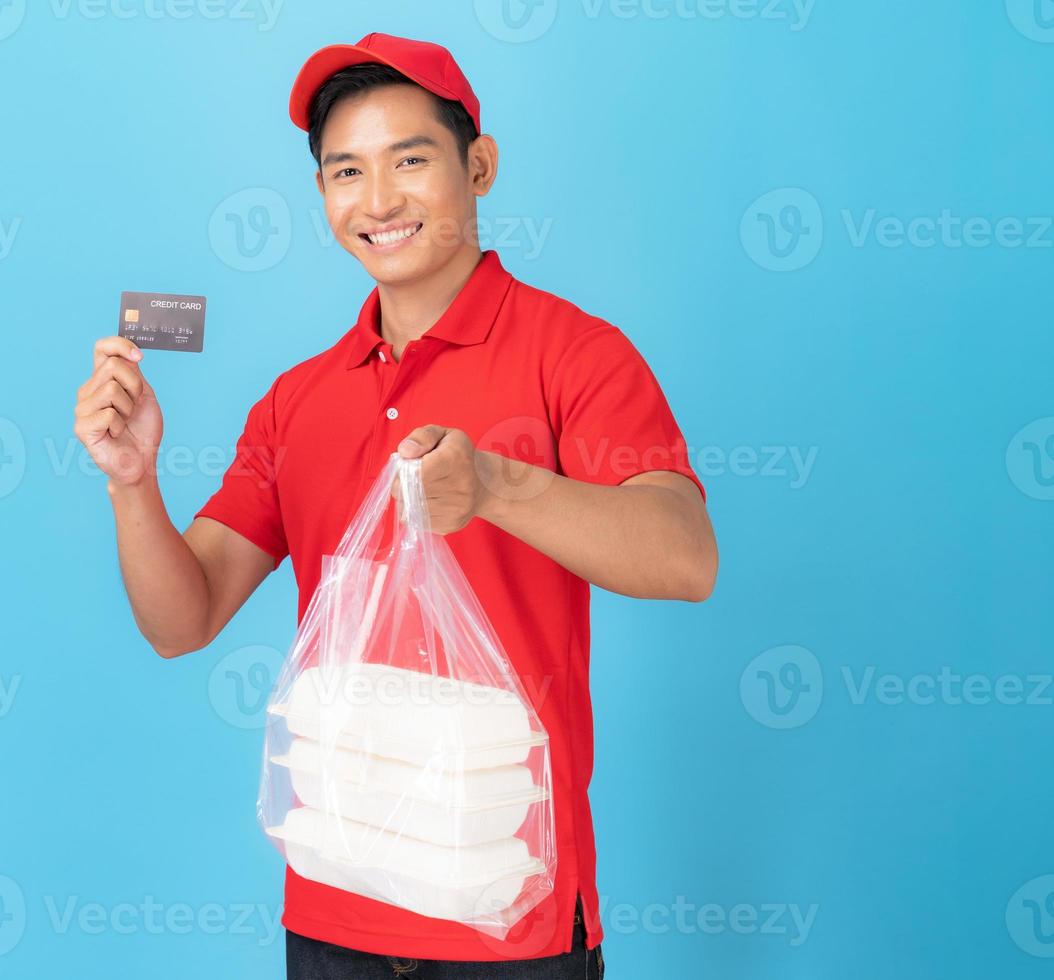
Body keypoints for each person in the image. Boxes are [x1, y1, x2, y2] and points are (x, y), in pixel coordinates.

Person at [74, 31, 717, 978]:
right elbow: (184, 619)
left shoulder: (574, 354)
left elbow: (685, 557)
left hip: (513, 908)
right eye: (346, 172)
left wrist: (498, 484)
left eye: (410, 161)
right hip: (336, 897)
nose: (377, 202)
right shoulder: (298, 399)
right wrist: (133, 482)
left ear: (479, 167)